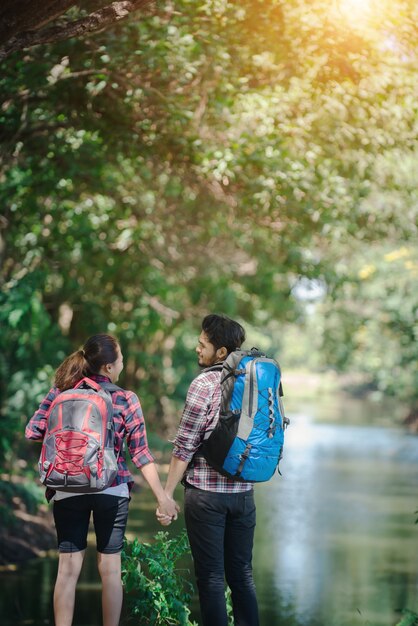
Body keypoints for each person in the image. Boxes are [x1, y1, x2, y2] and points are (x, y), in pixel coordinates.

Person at [25, 333, 178, 626]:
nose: (122, 364)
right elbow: (141, 454)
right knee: (109, 568)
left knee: (67, 569)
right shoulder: (125, 398)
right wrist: (163, 498)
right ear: (108, 367)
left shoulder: (60, 391)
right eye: (120, 360)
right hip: (112, 488)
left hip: (66, 487)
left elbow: (33, 431)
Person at [157, 314, 259, 626]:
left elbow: (185, 444)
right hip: (244, 495)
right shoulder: (254, 381)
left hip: (207, 497)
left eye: (203, 345)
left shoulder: (204, 383)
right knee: (242, 576)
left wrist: (166, 494)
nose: (196, 349)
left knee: (212, 578)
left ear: (222, 352)